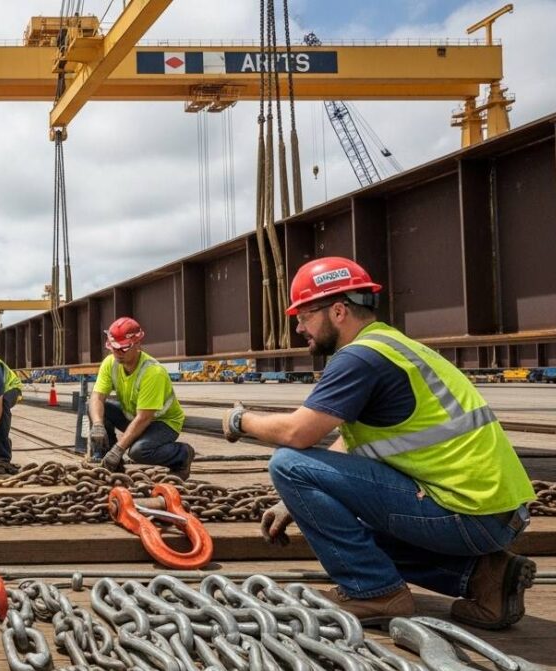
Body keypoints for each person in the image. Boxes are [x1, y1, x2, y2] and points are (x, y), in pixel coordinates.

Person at [222, 256, 536, 629]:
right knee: (342, 525)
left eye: (304, 316)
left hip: (466, 513)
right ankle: (486, 578)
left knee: (286, 463)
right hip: (495, 513)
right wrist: (292, 502)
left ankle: (374, 591)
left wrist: (241, 420)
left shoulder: (359, 358)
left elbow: (297, 433)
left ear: (338, 311)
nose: (299, 327)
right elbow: (353, 448)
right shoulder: (392, 345)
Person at [88, 317, 194, 477]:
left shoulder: (153, 372)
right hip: (134, 416)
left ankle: (182, 454)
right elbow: (97, 397)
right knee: (96, 408)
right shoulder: (110, 363)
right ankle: (109, 463)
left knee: (139, 451)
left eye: (123, 348)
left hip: (163, 423)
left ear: (137, 344)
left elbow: (144, 418)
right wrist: (97, 425)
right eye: (114, 348)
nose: (118, 353)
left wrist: (118, 449)